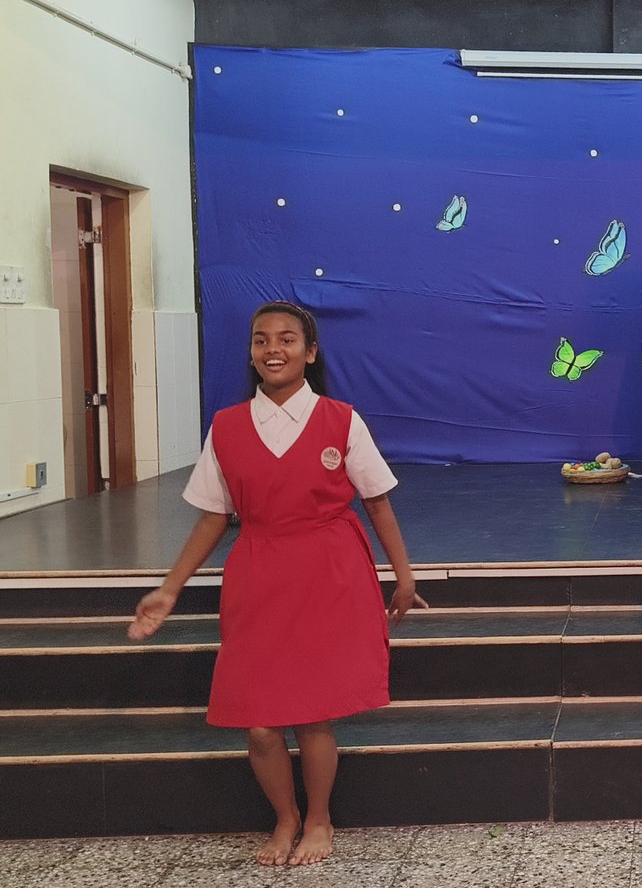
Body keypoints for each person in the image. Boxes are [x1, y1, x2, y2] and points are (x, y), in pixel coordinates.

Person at [127, 301, 423, 867]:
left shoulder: (341, 420)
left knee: (313, 712)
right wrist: (169, 589)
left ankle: (318, 818)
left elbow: (377, 502)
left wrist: (403, 576)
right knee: (259, 722)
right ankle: (285, 817)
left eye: (287, 339)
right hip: (259, 575)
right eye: (261, 340)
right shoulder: (227, 427)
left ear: (310, 353)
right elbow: (213, 516)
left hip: (329, 573)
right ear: (251, 353)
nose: (273, 349)